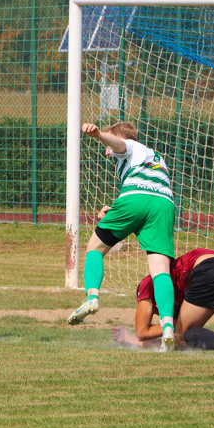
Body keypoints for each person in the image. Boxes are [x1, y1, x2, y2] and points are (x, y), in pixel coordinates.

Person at [66, 121, 178, 352]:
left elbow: (119, 144)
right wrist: (116, 207)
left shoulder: (127, 145)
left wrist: (99, 135)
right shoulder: (153, 155)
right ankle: (167, 325)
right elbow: (147, 188)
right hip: (164, 204)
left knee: (95, 248)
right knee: (160, 269)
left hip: (135, 199)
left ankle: (92, 297)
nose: (107, 152)